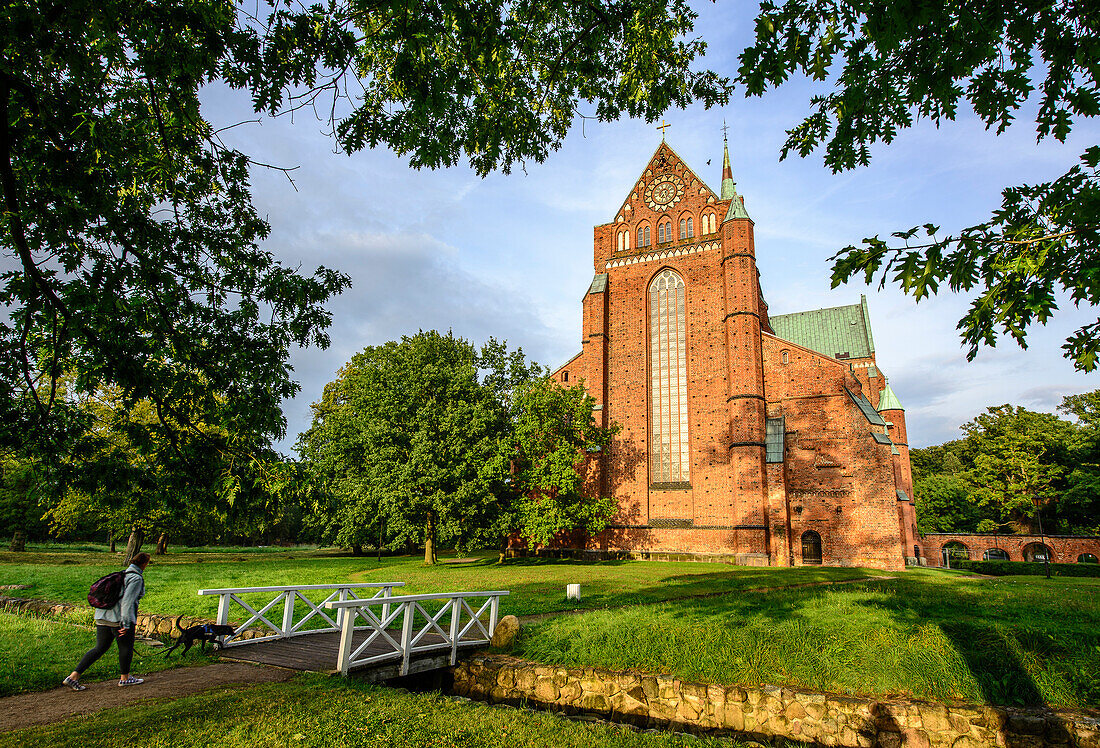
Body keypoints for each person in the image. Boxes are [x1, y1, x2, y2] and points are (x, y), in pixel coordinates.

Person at [63, 551, 150, 690]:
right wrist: (126, 624)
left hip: (102, 616)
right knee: (125, 647)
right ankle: (125, 678)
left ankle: (73, 677)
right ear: (144, 564)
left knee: (100, 648)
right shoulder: (135, 579)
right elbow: (128, 602)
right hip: (118, 619)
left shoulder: (121, 575)